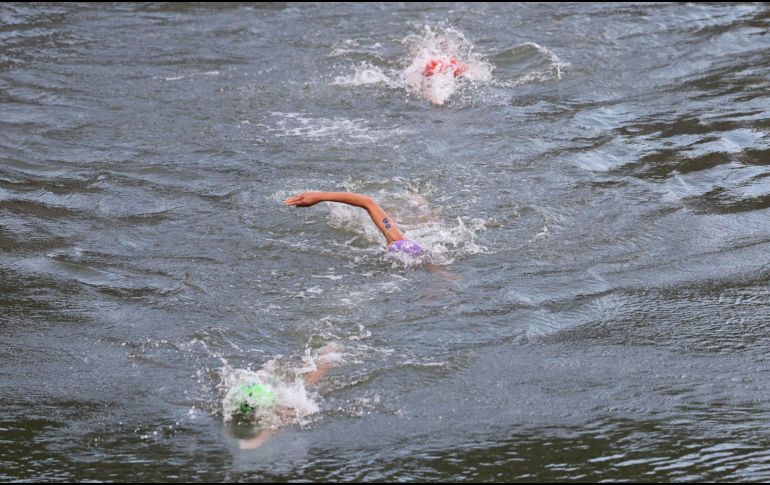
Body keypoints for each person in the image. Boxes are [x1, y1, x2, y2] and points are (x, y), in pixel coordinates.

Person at [284, 191, 426, 257]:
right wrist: (320, 196)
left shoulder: (396, 240)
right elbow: (367, 201)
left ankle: (419, 202)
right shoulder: (396, 239)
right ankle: (418, 202)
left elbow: (367, 202)